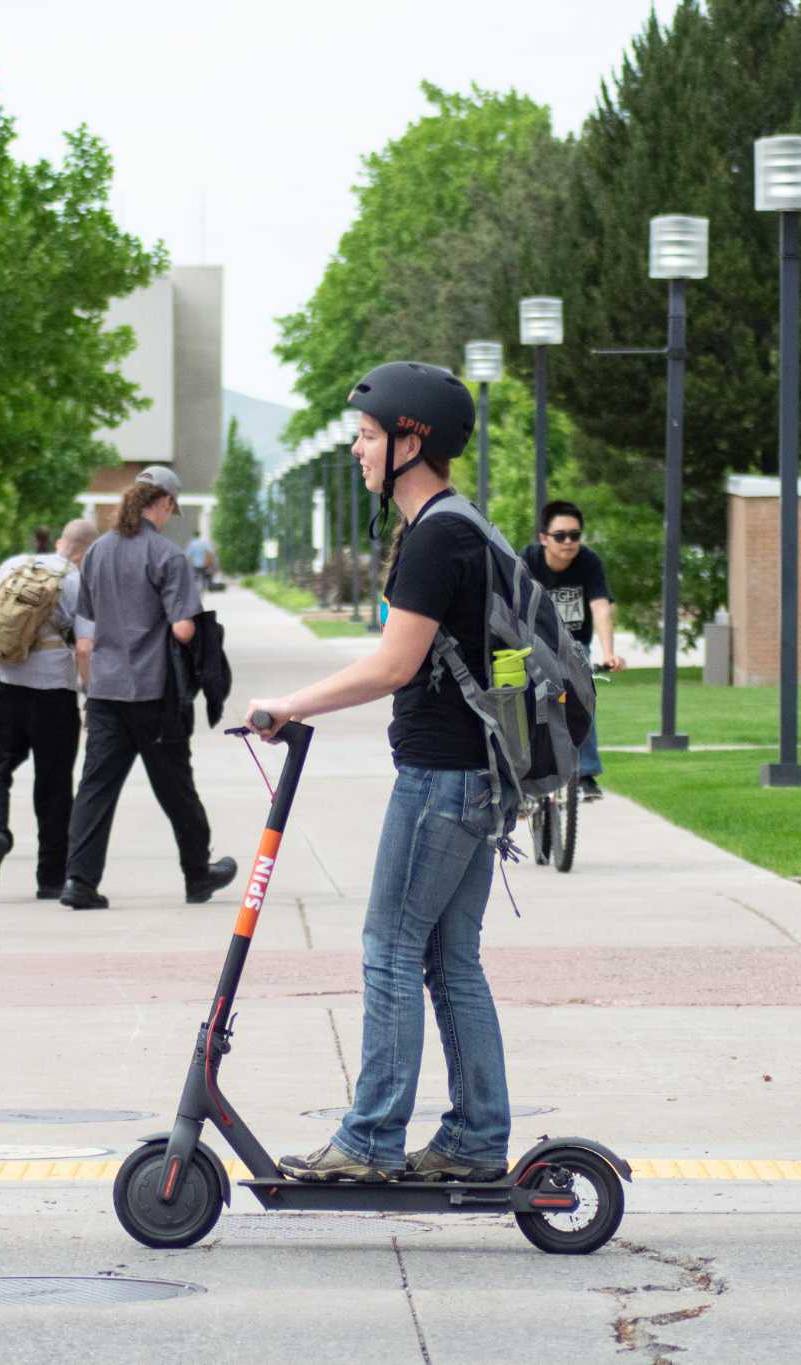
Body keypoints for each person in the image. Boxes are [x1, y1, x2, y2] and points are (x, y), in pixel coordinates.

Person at [244, 360, 510, 1184]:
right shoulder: (460, 525)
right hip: (478, 775)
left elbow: (395, 665)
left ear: (410, 439)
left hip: (441, 779)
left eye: (366, 435)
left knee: (390, 945)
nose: (358, 450)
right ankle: (474, 1138)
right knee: (448, 956)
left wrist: (290, 703)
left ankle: (368, 1139)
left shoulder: (437, 535)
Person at [60, 465, 238, 910]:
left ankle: (79, 881)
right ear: (164, 503)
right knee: (176, 787)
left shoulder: (97, 552)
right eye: (171, 507)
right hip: (155, 694)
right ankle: (198, 875)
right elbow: (181, 629)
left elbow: (89, 615)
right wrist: (204, 638)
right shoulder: (167, 555)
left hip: (106, 690)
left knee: (95, 787)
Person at [0, 517, 98, 901]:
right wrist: (89, 693)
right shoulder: (76, 581)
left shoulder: (13, 566)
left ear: (59, 542)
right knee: (53, 784)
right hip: (52, 693)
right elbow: (85, 647)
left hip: (0, 685)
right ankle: (50, 877)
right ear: (86, 552)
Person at [521, 500, 625, 800]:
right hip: (534, 642)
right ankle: (525, 777)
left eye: (575, 535)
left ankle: (586, 776)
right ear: (543, 538)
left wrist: (608, 653)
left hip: (574, 646)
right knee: (525, 702)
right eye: (560, 536)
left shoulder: (588, 562)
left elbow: (601, 608)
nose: (569, 542)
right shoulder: (527, 561)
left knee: (581, 698)